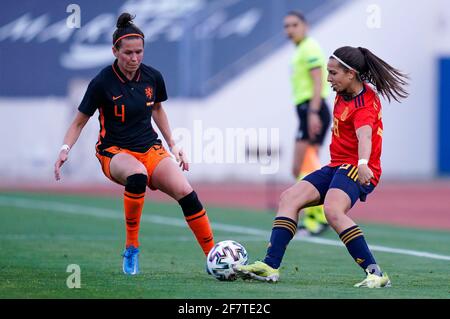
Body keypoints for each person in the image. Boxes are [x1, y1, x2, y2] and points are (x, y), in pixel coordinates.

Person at [54, 13, 215, 275]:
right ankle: (131, 247)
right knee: (137, 175)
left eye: (139, 52)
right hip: (114, 152)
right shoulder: (102, 82)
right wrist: (64, 150)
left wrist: (173, 145)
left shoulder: (153, 77)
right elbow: (78, 122)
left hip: (150, 148)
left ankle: (213, 257)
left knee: (186, 191)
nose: (134, 58)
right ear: (115, 50)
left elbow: (158, 110)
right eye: (128, 52)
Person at [236, 46, 408, 288]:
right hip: (337, 166)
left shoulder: (364, 105)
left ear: (351, 74)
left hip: (356, 167)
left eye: (333, 73)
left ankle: (376, 273)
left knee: (333, 210)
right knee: (289, 198)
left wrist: (362, 164)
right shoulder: (344, 91)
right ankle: (269, 266)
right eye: (328, 72)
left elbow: (365, 137)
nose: (328, 79)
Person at [283, 11, 331, 236]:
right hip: (305, 111)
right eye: (287, 26)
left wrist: (312, 112)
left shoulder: (310, 47)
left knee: (307, 164)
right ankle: (310, 214)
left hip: (313, 109)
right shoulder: (300, 50)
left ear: (305, 25)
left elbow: (318, 80)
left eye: (294, 25)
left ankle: (318, 218)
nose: (290, 30)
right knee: (299, 167)